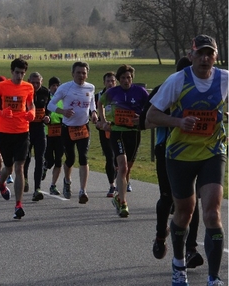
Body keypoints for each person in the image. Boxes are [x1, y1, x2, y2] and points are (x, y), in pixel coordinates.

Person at [146, 35, 227, 286]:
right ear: (191, 55)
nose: (205, 58)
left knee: (212, 213)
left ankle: (214, 278)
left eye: (209, 53)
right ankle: (179, 265)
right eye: (200, 53)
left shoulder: (225, 79)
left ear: (215, 56)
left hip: (212, 152)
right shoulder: (178, 80)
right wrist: (178, 122)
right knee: (185, 212)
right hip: (179, 155)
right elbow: (151, 116)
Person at [141, 57, 203, 266]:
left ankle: (191, 249)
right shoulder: (165, 89)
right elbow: (145, 119)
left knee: (191, 201)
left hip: (195, 151)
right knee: (167, 198)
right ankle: (160, 237)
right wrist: (172, 118)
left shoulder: (204, 91)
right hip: (166, 150)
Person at [0, 58, 35, 219]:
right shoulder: (2, 86)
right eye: (17, 72)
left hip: (22, 131)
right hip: (5, 132)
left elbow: (31, 104)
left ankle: (18, 205)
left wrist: (32, 112)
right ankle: (1, 182)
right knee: (9, 167)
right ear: (11, 72)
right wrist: (0, 113)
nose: (20, 76)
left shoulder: (28, 87)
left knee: (19, 167)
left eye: (22, 73)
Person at [97, 64, 149, 218]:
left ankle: (118, 198)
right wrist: (103, 121)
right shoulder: (112, 92)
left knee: (128, 169)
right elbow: (100, 103)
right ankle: (124, 202)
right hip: (117, 131)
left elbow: (150, 106)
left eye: (129, 78)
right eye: (123, 78)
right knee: (122, 166)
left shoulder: (140, 92)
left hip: (134, 132)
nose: (126, 80)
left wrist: (142, 117)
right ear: (119, 79)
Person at [47, 61, 98, 204]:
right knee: (70, 159)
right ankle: (67, 181)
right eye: (78, 72)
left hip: (83, 127)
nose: (81, 75)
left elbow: (92, 102)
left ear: (87, 74)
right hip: (67, 128)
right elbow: (50, 105)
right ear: (72, 74)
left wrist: (94, 113)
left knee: (84, 157)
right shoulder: (65, 88)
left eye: (84, 73)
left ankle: (83, 190)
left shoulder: (90, 87)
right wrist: (63, 111)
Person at [23, 72, 51, 201]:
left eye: (37, 82)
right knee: (26, 157)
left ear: (42, 81)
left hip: (39, 128)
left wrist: (48, 116)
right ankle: (24, 179)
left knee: (40, 158)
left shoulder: (45, 92)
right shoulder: (23, 91)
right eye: (32, 82)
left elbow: (49, 106)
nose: (35, 85)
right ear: (28, 80)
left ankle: (37, 189)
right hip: (26, 129)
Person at [95, 72, 118, 197]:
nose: (110, 83)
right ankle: (111, 185)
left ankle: (124, 180)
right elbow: (91, 111)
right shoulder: (98, 96)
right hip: (105, 131)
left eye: (113, 81)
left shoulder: (120, 95)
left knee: (119, 157)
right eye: (108, 81)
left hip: (119, 130)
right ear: (104, 83)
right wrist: (97, 122)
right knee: (109, 157)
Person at [44, 76, 64, 195]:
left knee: (58, 160)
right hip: (48, 132)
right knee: (49, 159)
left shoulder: (63, 99)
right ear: (49, 87)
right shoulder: (46, 98)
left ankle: (53, 185)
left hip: (60, 132)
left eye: (57, 85)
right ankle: (45, 167)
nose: (55, 88)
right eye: (53, 86)